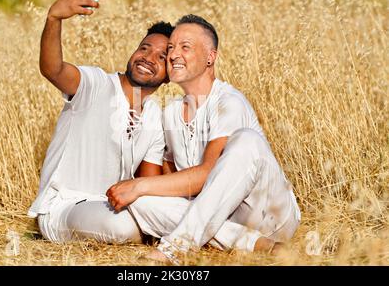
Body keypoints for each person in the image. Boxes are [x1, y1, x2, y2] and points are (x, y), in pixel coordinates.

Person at [106, 14, 301, 264]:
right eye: (172, 48)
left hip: (269, 216)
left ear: (210, 57)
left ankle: (174, 249)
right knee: (142, 203)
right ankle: (259, 246)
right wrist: (141, 190)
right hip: (219, 220)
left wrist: (139, 185)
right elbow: (171, 178)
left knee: (247, 140)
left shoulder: (228, 102)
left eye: (185, 47)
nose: (175, 55)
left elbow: (207, 173)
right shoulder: (171, 112)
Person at [27, 0, 174, 245]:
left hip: (112, 205)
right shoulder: (96, 84)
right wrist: (54, 17)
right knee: (121, 226)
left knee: (163, 214)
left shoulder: (154, 116)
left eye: (161, 57)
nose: (148, 58)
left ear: (170, 77)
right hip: (64, 208)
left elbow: (148, 186)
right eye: (144, 48)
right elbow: (53, 69)